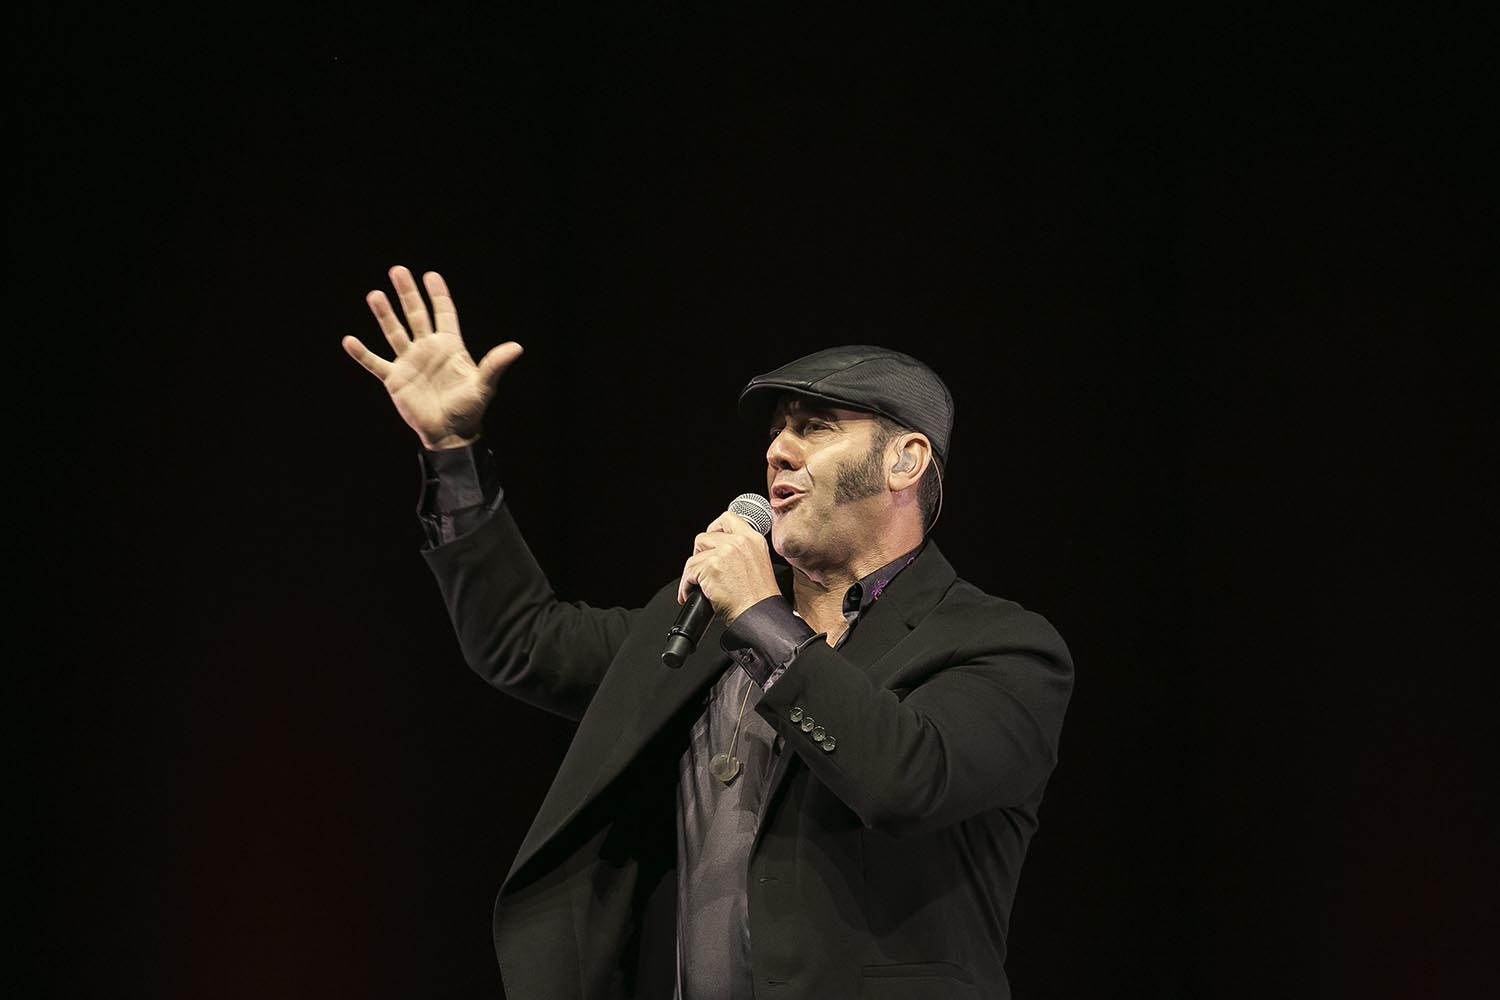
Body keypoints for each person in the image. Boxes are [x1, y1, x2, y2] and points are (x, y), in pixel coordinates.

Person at [343, 265, 1074, 1000]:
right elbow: (521, 640)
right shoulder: (703, 627)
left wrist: (763, 617)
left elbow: (908, 780)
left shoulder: (1003, 647)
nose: (777, 451)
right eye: (777, 431)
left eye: (814, 427)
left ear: (905, 460)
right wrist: (453, 452)